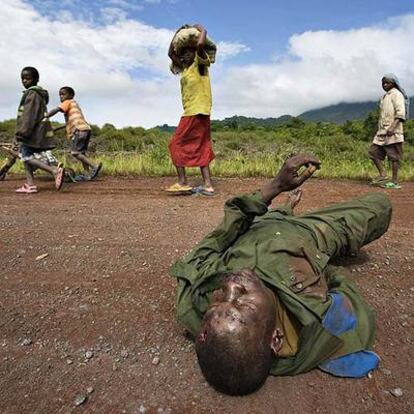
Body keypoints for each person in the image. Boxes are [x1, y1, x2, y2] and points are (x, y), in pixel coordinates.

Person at [170, 154, 392, 396]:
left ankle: (287, 207)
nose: (231, 286)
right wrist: (323, 266)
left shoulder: (194, 296)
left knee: (271, 215)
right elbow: (345, 291)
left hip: (260, 223)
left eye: (219, 299)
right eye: (242, 305)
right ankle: (291, 211)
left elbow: (222, 232)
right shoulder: (316, 320)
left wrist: (277, 185)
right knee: (381, 205)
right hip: (313, 232)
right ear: (275, 339)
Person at [166, 24, 216, 196]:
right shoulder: (186, 69)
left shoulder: (199, 65)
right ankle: (208, 185)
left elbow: (201, 45)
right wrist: (177, 31)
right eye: (183, 53)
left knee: (175, 144)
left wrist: (203, 31)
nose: (184, 55)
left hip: (195, 112)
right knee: (201, 146)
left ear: (194, 53)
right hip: (199, 112)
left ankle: (182, 181)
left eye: (188, 52)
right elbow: (171, 53)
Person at [15, 66, 65, 193]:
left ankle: (54, 171)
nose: (24, 81)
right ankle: (30, 184)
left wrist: (22, 132)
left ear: (36, 79)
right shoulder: (37, 94)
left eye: (28, 78)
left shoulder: (32, 94)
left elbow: (29, 115)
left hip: (30, 132)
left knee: (26, 157)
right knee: (26, 156)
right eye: (22, 78)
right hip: (35, 131)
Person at [48, 86, 102, 182]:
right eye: (59, 95)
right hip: (86, 129)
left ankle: (94, 166)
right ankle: (86, 173)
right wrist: (56, 129)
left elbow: (56, 110)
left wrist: (45, 116)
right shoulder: (74, 105)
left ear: (71, 95)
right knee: (81, 153)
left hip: (79, 130)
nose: (61, 97)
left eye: (63, 94)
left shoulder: (68, 102)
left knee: (75, 153)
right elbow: (68, 123)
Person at [368, 73, 409, 189]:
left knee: (394, 157)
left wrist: (393, 127)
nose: (385, 85)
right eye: (383, 83)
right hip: (382, 132)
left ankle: (394, 181)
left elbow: (400, 113)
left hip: (393, 132)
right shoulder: (384, 97)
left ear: (393, 83)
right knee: (372, 152)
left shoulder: (397, 94)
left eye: (387, 83)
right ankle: (383, 175)